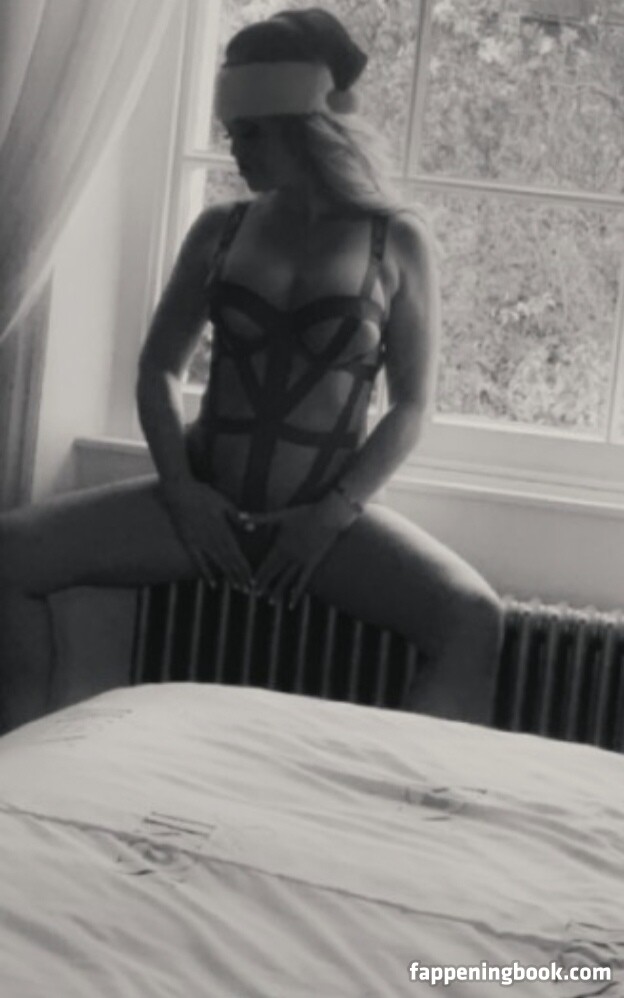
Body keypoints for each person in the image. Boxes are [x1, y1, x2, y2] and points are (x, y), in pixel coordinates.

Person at [0, 7, 502, 734]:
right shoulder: (220, 229)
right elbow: (158, 369)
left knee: (473, 617)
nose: (235, 151)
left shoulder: (395, 239)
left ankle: (411, 795)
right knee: (9, 555)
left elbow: (412, 406)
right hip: (203, 506)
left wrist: (332, 516)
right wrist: (182, 492)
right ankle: (21, 764)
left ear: (308, 126)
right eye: (231, 133)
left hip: (322, 521)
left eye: (252, 134)